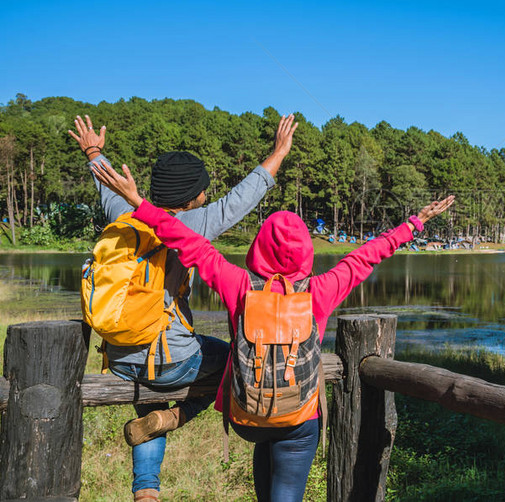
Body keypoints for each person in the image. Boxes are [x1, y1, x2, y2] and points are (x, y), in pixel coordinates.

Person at [90, 158, 454, 502]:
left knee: (265, 466)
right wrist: (414, 223)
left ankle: (180, 417)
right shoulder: (320, 290)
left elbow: (187, 242)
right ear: (307, 253)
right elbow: (367, 255)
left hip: (248, 419)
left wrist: (137, 201)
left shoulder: (238, 285)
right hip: (298, 421)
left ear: (259, 247)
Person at [69, 113, 298, 502]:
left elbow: (108, 188)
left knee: (155, 385)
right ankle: (176, 417)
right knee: (233, 360)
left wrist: (94, 152)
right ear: (191, 196)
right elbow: (241, 199)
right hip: (170, 360)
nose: (207, 195)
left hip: (121, 357)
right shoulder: (192, 222)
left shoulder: (125, 216)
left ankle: (146, 492)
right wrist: (279, 153)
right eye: (203, 189)